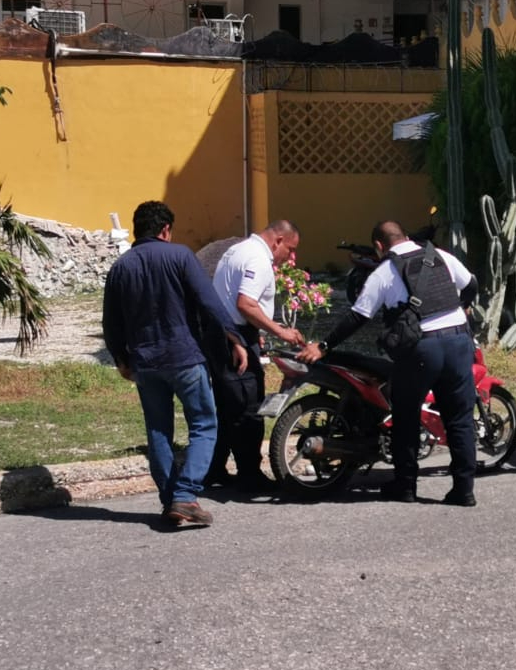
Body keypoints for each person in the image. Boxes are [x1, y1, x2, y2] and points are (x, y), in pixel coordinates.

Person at [296, 220, 480, 506]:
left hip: (422, 349)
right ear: (406, 237)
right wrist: (463, 309)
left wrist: (324, 345)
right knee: (459, 418)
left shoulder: (385, 270)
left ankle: (405, 486)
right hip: (458, 342)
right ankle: (463, 490)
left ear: (379, 246)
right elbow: (471, 285)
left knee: (405, 416)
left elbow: (358, 316)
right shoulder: (441, 255)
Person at [102, 201, 248, 526]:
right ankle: (185, 496)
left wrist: (121, 359)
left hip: (145, 364)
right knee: (204, 425)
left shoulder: (120, 267)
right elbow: (208, 301)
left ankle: (170, 500)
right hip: (185, 358)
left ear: (137, 228)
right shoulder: (180, 256)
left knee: (158, 431)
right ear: (166, 229)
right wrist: (235, 339)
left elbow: (110, 322)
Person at [209, 220, 304, 490]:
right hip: (234, 339)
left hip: (225, 333)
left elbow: (232, 300)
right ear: (278, 241)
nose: (292, 257)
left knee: (227, 408)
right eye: (291, 249)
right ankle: (249, 474)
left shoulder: (237, 250)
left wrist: (258, 329)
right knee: (247, 408)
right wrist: (280, 331)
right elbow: (245, 303)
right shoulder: (259, 260)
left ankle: (214, 469)